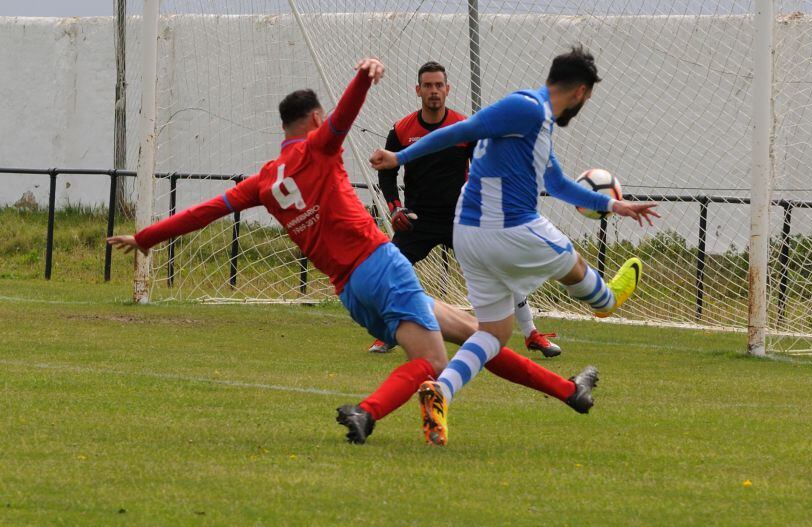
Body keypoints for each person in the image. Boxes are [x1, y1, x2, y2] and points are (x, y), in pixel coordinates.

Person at [107, 58, 600, 447]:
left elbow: (206, 211)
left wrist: (145, 238)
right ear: (315, 120)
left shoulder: (262, 181)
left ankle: (570, 393)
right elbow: (345, 117)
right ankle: (368, 411)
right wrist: (364, 76)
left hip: (349, 290)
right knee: (431, 364)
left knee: (477, 335)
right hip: (381, 264)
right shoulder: (318, 148)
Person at [371, 45, 660, 446]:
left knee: (492, 334)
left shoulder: (537, 125)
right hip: (506, 226)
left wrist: (615, 205)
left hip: (471, 235)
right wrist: (400, 156)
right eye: (587, 99)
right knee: (571, 259)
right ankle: (606, 300)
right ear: (579, 92)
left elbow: (557, 183)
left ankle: (441, 392)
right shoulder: (526, 107)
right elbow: (461, 131)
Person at [371, 60, 563, 358]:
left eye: (439, 85)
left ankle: (531, 334)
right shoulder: (400, 130)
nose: (433, 91)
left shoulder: (463, 127)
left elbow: (484, 167)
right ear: (417, 90)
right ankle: (388, 333)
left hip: (462, 219)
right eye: (428, 86)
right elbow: (387, 171)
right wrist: (395, 208)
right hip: (418, 220)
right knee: (388, 270)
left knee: (502, 270)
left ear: (447, 89)